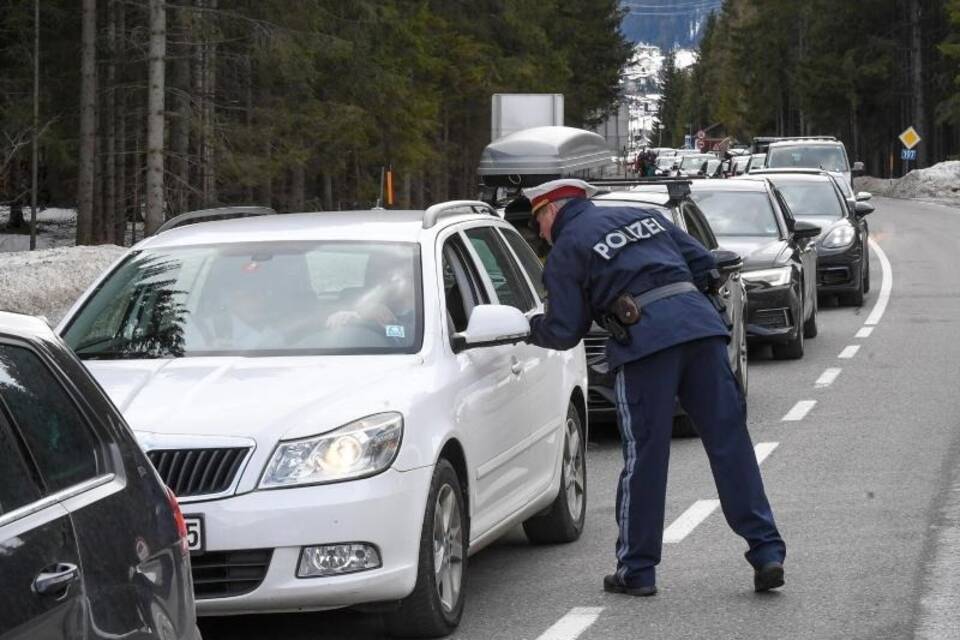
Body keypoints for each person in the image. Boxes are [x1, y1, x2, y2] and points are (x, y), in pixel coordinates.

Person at [522, 178, 786, 597]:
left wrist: (528, 327)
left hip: (646, 347)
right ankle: (767, 551)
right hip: (701, 332)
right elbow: (704, 264)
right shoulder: (644, 216)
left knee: (645, 457)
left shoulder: (567, 248)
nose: (539, 231)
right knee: (730, 444)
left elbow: (564, 329)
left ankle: (637, 570)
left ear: (552, 209)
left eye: (538, 220)